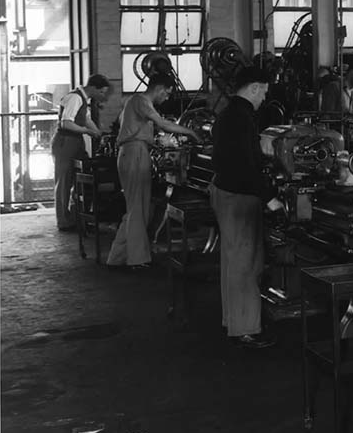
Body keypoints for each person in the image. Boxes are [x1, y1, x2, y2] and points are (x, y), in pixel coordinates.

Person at [210, 66, 284, 348]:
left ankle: (233, 320)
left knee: (232, 261)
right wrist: (270, 198)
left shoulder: (228, 114)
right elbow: (246, 165)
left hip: (225, 191)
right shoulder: (241, 118)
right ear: (254, 88)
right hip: (240, 197)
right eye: (263, 92)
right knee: (246, 264)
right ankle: (245, 329)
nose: (264, 98)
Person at [105, 77, 199, 269]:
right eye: (167, 93)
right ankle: (137, 259)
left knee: (137, 209)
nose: (167, 97)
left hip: (133, 152)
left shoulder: (135, 102)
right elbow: (163, 124)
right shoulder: (140, 100)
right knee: (138, 210)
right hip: (135, 153)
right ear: (160, 88)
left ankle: (117, 257)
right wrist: (191, 133)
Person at [51, 73, 110, 231]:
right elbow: (66, 123)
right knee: (64, 182)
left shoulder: (84, 99)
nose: (103, 96)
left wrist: (98, 132)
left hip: (76, 141)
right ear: (93, 88)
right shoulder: (75, 98)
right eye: (101, 92)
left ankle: (76, 217)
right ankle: (63, 221)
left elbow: (86, 119)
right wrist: (87, 131)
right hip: (65, 141)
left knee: (79, 179)